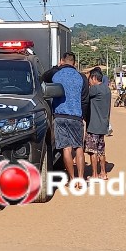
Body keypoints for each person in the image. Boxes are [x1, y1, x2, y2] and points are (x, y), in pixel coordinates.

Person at [42, 52, 89, 180]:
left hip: (59, 116)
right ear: (74, 63)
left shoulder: (55, 74)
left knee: (66, 149)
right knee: (79, 148)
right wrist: (83, 117)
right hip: (76, 117)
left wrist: (56, 67)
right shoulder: (82, 77)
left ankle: (72, 179)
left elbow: (43, 77)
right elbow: (85, 100)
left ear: (62, 60)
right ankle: (80, 179)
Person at [85, 68, 111, 180]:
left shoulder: (95, 89)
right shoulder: (107, 89)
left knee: (92, 151)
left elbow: (84, 95)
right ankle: (103, 173)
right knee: (101, 150)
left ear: (94, 78)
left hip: (93, 126)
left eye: (90, 79)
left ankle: (95, 174)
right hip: (103, 125)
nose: (89, 82)